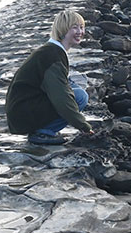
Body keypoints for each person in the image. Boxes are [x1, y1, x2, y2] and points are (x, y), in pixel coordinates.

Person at [5, 8, 93, 145]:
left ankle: (44, 129)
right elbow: (61, 97)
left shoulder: (52, 50)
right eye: (74, 27)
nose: (80, 32)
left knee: (74, 87)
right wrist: (83, 126)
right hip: (23, 113)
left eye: (82, 27)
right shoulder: (52, 56)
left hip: (24, 107)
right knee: (80, 96)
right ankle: (43, 133)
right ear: (63, 30)